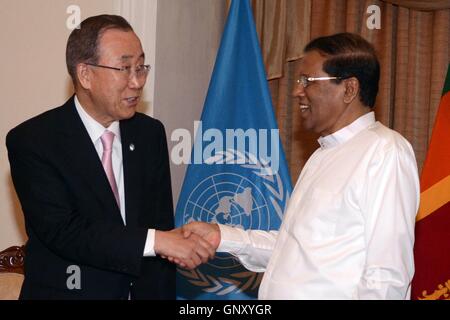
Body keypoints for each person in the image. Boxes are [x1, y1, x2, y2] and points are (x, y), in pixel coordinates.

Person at [181, 33, 420, 299]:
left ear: (349, 89)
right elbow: (292, 251)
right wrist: (221, 236)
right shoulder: (321, 155)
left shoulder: (385, 152)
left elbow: (385, 277)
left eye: (307, 81)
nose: (297, 91)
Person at [6, 14, 213, 300]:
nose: (137, 81)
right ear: (85, 74)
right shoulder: (33, 141)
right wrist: (158, 241)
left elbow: (160, 226)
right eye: (124, 68)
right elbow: (66, 231)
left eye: (141, 67)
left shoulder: (149, 134)